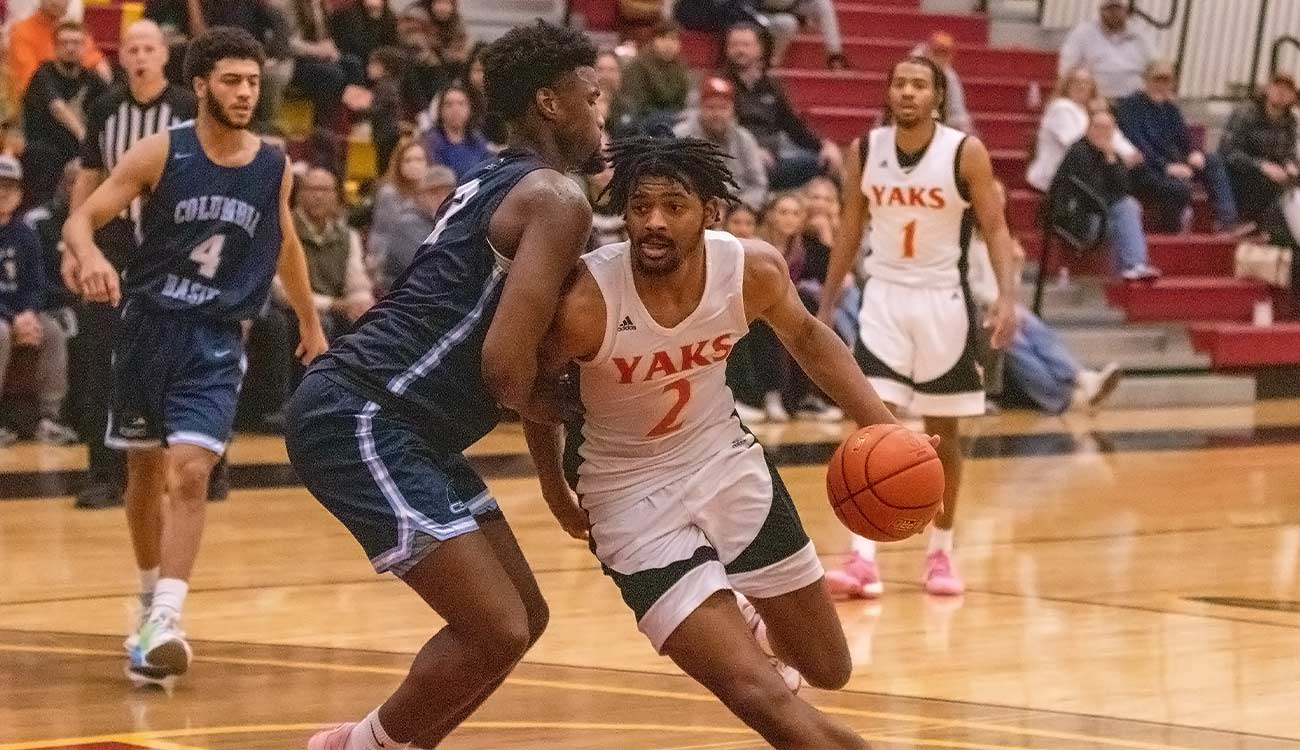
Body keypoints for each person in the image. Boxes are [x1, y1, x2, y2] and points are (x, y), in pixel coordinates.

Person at [522, 136, 907, 750]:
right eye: (640, 205)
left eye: (673, 206)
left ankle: (744, 611)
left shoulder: (750, 271)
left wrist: (885, 427)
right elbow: (535, 400)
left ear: (711, 212)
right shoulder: (586, 302)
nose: (653, 220)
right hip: (627, 496)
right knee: (760, 697)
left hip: (726, 464)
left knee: (828, 669)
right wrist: (554, 491)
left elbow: (809, 341)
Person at [286, 22, 603, 750]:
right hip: (365, 409)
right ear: (551, 104)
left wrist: (555, 486)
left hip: (410, 424)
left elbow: (526, 356)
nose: (601, 117)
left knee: (523, 614)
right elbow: (505, 368)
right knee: (493, 628)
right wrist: (579, 409)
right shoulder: (557, 199)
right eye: (594, 99)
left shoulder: (496, 179)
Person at [61, 26, 329, 684]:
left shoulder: (273, 164)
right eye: (233, 81)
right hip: (147, 328)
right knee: (143, 478)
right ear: (202, 85)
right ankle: (150, 596)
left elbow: (287, 245)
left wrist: (311, 321)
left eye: (253, 83)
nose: (245, 93)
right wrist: (91, 255)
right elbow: (79, 220)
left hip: (215, 336)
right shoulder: (161, 152)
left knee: (190, 473)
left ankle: (169, 617)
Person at [818, 56, 1019, 599]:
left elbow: (997, 230)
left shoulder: (964, 152)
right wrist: (828, 303)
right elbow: (849, 229)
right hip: (883, 297)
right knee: (869, 426)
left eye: (919, 84)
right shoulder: (866, 150)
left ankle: (941, 554)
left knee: (942, 434)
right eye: (899, 82)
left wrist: (1008, 297)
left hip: (944, 303)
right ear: (888, 92)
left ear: (937, 95)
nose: (908, 91)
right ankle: (862, 559)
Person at [69, 18, 197, 510]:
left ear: (164, 55)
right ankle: (103, 473)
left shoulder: (188, 107)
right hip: (116, 244)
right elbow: (89, 178)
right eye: (131, 49)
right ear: (121, 57)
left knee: (186, 357)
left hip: (177, 245)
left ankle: (204, 465)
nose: (140, 56)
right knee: (103, 357)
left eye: (149, 48)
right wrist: (75, 249)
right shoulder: (104, 108)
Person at [0, 156, 77, 447]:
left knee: (53, 331)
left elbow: (36, 283)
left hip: (20, 312)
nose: (4, 194)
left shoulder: (25, 233)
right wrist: (12, 317)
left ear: (20, 194)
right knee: (1, 333)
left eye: (10, 187)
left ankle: (49, 418)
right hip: (5, 317)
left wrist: (29, 313)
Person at [1116, 61, 1245, 234]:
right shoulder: (1130, 107)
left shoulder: (1170, 108)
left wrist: (1193, 152)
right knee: (1177, 188)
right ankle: (1168, 234)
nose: (1161, 86)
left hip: (1173, 162)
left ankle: (1227, 221)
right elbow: (1137, 145)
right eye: (1157, 80)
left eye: (1166, 82)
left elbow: (1184, 138)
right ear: (1146, 81)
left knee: (1212, 160)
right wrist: (1166, 167)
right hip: (1145, 167)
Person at [723, 22, 842, 190]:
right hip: (737, 160)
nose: (739, 50)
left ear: (760, 49)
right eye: (734, 45)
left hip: (774, 157)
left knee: (826, 161)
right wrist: (751, 152)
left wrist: (824, 145)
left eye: (745, 45)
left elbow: (793, 126)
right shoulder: (719, 85)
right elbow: (722, 133)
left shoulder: (772, 86)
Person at [1054, 110, 1161, 280]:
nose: (1101, 133)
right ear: (1088, 129)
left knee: (1127, 208)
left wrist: (1111, 160)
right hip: (1077, 219)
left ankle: (1129, 272)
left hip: (1102, 214)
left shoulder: (1111, 155)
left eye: (1107, 128)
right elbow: (1091, 194)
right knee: (1126, 211)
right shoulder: (1078, 152)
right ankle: (1131, 268)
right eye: (1097, 127)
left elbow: (1123, 188)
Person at [21, 21, 109, 204]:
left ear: (85, 46)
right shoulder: (43, 74)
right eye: (64, 43)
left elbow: (110, 104)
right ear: (55, 47)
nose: (70, 48)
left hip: (77, 152)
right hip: (46, 150)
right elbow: (57, 108)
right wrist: (85, 136)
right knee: (42, 157)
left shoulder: (92, 78)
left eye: (76, 43)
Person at [1026, 67, 1140, 193]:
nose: (1081, 86)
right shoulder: (1061, 108)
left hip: (1092, 176)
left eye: (1086, 82)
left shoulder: (1093, 112)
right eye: (1076, 82)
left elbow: (1114, 136)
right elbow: (1076, 145)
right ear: (1067, 86)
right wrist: (1116, 155)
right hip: (1060, 178)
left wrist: (1129, 153)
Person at [1218, 72, 1299, 244]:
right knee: (1270, 183)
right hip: (1240, 174)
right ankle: (1255, 224)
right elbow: (1227, 151)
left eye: (1287, 90)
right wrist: (1261, 165)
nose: (1281, 93)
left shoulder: (1290, 121)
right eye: (1277, 87)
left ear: (1293, 96)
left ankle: (1277, 233)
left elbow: (1288, 153)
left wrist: (1290, 164)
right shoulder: (1246, 113)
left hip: (1273, 176)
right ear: (1267, 89)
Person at [673, 76, 768, 211]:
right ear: (700, 108)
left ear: (732, 110)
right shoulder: (680, 136)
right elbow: (673, 182)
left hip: (736, 210)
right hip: (695, 208)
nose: (717, 114)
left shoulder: (744, 138)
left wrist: (737, 208)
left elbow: (758, 185)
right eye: (711, 107)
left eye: (723, 108)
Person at [375, 165, 457, 293]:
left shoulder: (450, 220)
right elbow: (426, 267)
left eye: (447, 193)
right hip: (401, 297)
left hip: (430, 293)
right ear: (420, 196)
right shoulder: (406, 223)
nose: (442, 198)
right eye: (434, 193)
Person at [7, 0, 111, 98]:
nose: (58, 1)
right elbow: (31, 85)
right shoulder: (22, 31)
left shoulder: (71, 29)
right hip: (39, 106)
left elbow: (97, 61)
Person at [1058, 0, 1155, 100]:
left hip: (1136, 101)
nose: (1114, 13)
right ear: (1100, 11)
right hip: (1095, 100)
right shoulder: (1082, 33)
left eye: (1118, 8)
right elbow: (1066, 71)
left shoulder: (1142, 34)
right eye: (1109, 9)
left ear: (1126, 10)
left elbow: (1156, 66)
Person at [621, 20, 692, 135]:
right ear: (654, 40)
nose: (668, 44)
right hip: (643, 118)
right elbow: (636, 102)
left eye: (674, 39)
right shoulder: (639, 65)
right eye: (663, 38)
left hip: (673, 117)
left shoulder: (680, 67)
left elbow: (682, 101)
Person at [420, 85, 493, 178]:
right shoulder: (430, 141)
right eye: (448, 104)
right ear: (440, 110)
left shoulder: (477, 139)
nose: (455, 109)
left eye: (461, 103)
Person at [914, 32, 973, 134]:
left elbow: (958, 112)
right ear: (928, 52)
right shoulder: (910, 69)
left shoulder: (949, 77)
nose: (940, 59)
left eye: (944, 54)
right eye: (937, 53)